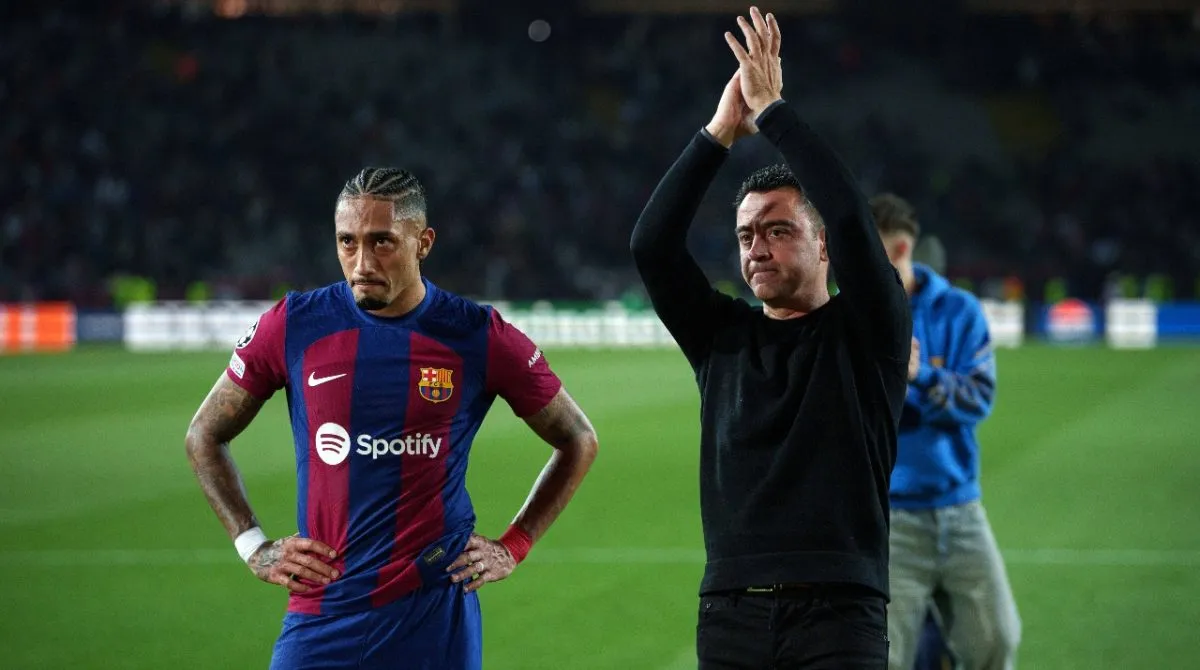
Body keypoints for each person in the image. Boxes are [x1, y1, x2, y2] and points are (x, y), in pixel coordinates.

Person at [184, 167, 599, 670]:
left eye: (382, 242)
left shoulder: (476, 335)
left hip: (434, 611)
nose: (362, 263)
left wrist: (514, 545)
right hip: (323, 611)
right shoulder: (294, 325)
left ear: (423, 243)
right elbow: (204, 434)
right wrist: (252, 544)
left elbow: (577, 438)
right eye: (347, 242)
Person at [629, 8, 912, 668]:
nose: (756, 247)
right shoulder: (719, 336)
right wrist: (717, 134)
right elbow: (651, 245)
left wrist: (774, 112)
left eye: (779, 230)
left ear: (824, 247)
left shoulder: (869, 332)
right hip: (730, 611)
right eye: (746, 235)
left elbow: (850, 215)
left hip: (840, 613)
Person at [868, 192, 1021, 670]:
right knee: (882, 657)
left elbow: (978, 398)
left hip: (961, 513)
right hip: (889, 520)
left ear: (899, 249)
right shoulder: (851, 315)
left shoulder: (959, 311)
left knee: (997, 640)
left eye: (866, 247)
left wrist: (921, 378)